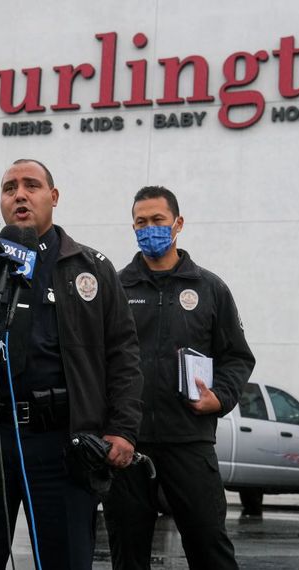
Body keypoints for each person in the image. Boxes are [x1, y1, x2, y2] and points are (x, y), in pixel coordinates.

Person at [0, 158, 143, 569]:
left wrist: (123, 428)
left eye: (31, 185)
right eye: (9, 188)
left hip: (62, 442)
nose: (20, 194)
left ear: (53, 197)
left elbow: (123, 354)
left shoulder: (91, 267)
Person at [102, 186, 255, 570]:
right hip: (127, 448)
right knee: (127, 556)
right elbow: (96, 361)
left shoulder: (209, 288)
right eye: (141, 222)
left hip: (189, 443)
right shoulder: (116, 288)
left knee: (210, 551)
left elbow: (237, 357)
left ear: (178, 224)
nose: (149, 228)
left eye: (158, 220)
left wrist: (219, 397)